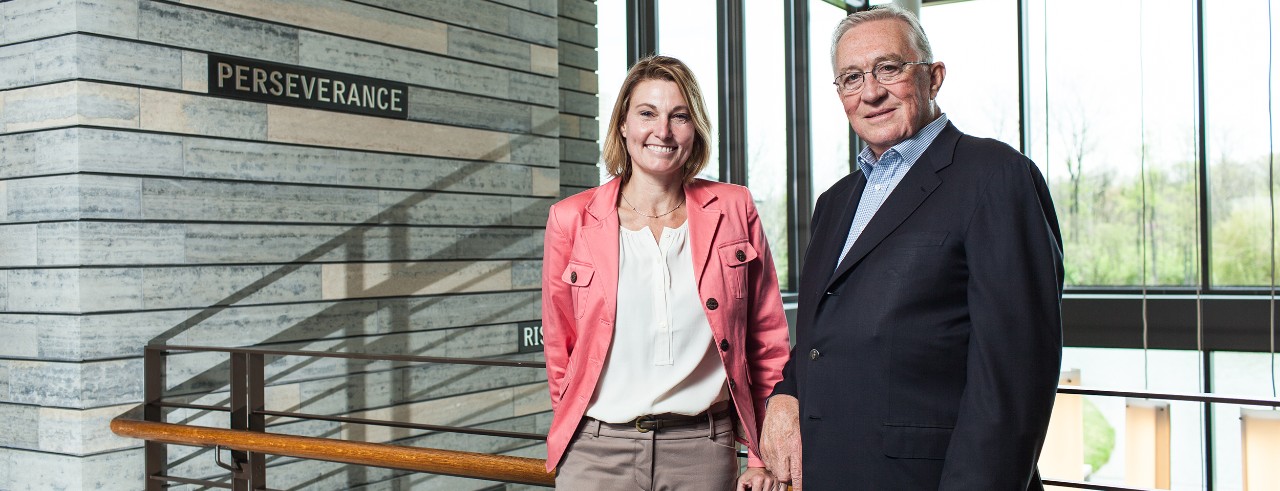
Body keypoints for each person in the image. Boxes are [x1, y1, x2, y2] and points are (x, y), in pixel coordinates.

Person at [759, 6, 1064, 490]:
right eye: (851, 78)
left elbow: (1014, 380)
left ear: (933, 77)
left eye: (889, 68)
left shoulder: (996, 175)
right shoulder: (834, 203)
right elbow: (821, 338)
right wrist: (786, 395)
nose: (872, 91)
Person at [541, 55, 791, 491]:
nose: (663, 131)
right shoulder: (570, 219)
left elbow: (766, 343)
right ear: (622, 124)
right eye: (647, 113)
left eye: (680, 116)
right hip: (594, 452)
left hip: (702, 451)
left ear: (695, 128)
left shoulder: (734, 208)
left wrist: (761, 454)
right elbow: (559, 349)